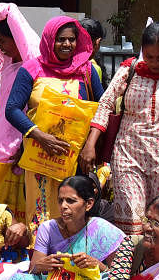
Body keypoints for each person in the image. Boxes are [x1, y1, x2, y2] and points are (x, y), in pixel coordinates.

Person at [81, 22, 159, 235]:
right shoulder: (128, 70)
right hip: (129, 156)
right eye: (149, 57)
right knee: (131, 222)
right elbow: (105, 104)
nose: (155, 63)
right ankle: (130, 267)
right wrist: (90, 144)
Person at [8, 16, 104, 230]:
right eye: (61, 39)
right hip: (39, 155)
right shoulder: (32, 69)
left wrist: (90, 146)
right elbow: (12, 109)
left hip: (75, 159)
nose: (67, 44)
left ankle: (70, 259)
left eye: (71, 39)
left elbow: (102, 108)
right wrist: (40, 136)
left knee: (73, 210)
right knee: (40, 213)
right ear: (50, 40)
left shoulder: (87, 70)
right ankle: (41, 256)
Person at [3, 175, 124, 280]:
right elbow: (33, 269)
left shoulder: (102, 228)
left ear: (89, 204)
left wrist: (98, 265)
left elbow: (118, 276)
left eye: (71, 201)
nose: (63, 206)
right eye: (61, 200)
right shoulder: (47, 228)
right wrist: (44, 265)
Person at [0, 4, 40, 223]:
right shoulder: (10, 66)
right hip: (2, 145)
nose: (0, 47)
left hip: (19, 147)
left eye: (3, 42)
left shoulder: (30, 68)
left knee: (20, 209)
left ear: (17, 39)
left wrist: (22, 146)